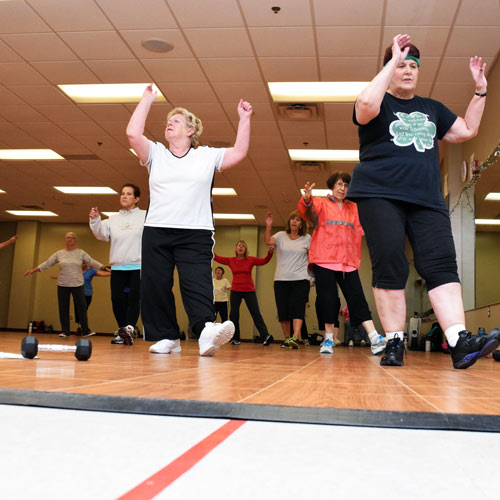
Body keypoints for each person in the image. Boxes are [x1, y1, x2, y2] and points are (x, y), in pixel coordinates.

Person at [348, 33, 500, 368]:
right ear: (389, 69)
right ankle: (394, 342)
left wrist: (480, 90)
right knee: (390, 264)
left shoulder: (431, 108)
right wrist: (390, 62)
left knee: (441, 264)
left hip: (426, 197)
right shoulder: (378, 101)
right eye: (401, 64)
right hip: (380, 193)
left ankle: (460, 342)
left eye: (413, 65)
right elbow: (365, 107)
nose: (407, 70)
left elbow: (467, 130)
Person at [127, 84, 253, 356]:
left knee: (196, 282)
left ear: (190, 130)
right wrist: (147, 99)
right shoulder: (156, 153)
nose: (169, 124)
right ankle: (166, 336)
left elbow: (239, 152)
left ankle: (206, 331)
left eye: (176, 121)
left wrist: (244, 120)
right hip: (157, 230)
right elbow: (132, 134)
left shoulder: (206, 156)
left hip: (195, 231)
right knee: (156, 283)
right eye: (167, 122)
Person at [298, 172, 383, 355]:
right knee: (327, 300)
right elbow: (308, 212)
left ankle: (374, 337)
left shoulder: (354, 208)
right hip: (324, 258)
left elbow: (362, 230)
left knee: (357, 298)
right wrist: (306, 199)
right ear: (332, 186)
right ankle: (328, 339)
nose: (342, 188)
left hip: (347, 261)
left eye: (345, 185)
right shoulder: (320, 203)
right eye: (339, 184)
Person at [89, 184, 146, 345]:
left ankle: (129, 327)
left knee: (133, 298)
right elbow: (101, 235)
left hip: (138, 266)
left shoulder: (145, 216)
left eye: (129, 194)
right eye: (122, 194)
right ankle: (123, 331)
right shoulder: (112, 220)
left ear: (137, 199)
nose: (124, 196)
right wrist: (95, 220)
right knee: (118, 299)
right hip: (118, 267)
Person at [24, 232, 108, 338]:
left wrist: (105, 268)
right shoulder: (59, 254)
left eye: (72, 238)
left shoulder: (81, 253)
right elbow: (47, 263)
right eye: (67, 238)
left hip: (77, 284)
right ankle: (65, 331)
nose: (69, 240)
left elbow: (92, 261)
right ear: (64, 240)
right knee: (63, 308)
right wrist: (33, 270)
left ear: (75, 241)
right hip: (63, 284)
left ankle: (85, 330)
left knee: (82, 307)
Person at [264, 210, 311, 349]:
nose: (294, 222)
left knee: (298, 309)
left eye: (297, 220)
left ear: (302, 224)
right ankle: (287, 339)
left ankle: (295, 338)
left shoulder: (307, 238)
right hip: (281, 279)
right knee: (283, 310)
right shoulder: (280, 236)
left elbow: (314, 255)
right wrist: (268, 225)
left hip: (301, 279)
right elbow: (267, 241)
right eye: (292, 219)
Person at [214, 241, 274, 345]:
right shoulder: (231, 260)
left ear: (245, 249)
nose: (241, 247)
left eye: (243, 246)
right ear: (236, 248)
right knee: (234, 315)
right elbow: (216, 257)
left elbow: (264, 261)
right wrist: (208, 246)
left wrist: (270, 252)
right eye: (239, 246)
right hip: (235, 291)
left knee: (255, 313)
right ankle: (235, 338)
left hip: (249, 290)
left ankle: (265, 335)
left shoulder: (250, 260)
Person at [75, 264, 111, 336]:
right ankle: (79, 327)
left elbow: (104, 274)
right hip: (77, 293)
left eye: (85, 263)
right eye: (82, 262)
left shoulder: (91, 271)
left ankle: (83, 328)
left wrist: (111, 270)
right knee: (78, 310)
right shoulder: (75, 271)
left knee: (84, 310)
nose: (83, 264)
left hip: (87, 294)